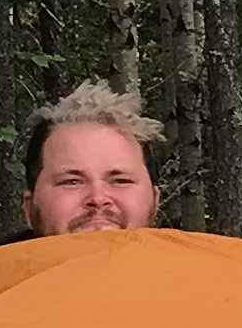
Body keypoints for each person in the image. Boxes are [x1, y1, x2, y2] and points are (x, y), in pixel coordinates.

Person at [23, 79, 162, 234]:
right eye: (71, 182)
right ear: (29, 207)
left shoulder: (191, 257)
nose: (98, 199)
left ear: (155, 202)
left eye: (121, 181)